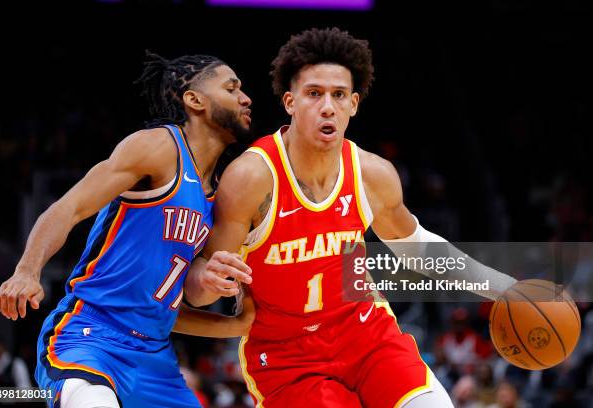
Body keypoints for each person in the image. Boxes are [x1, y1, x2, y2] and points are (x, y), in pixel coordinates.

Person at [184, 28, 517, 407]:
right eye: (314, 94)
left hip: (366, 336)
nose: (328, 106)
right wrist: (208, 282)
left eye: (338, 95)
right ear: (290, 102)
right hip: (287, 356)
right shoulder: (251, 178)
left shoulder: (372, 174)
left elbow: (420, 249)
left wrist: (506, 288)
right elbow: (197, 288)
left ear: (353, 104)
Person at [0, 51, 253, 408]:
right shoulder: (159, 148)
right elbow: (69, 207)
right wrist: (27, 270)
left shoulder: (219, 194)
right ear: (195, 100)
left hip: (154, 354)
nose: (246, 98)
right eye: (232, 88)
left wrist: (223, 302)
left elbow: (183, 299)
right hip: (91, 336)